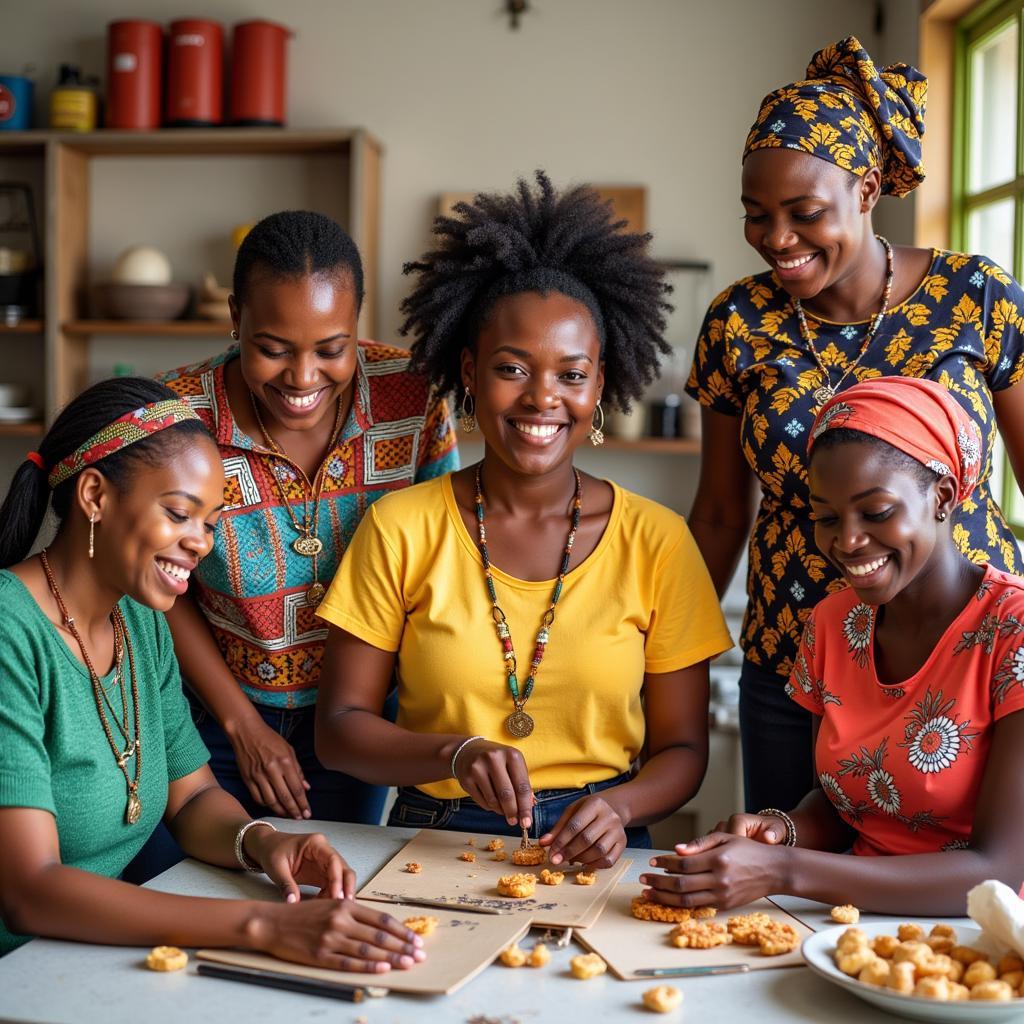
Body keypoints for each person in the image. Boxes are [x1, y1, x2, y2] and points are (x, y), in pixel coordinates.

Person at [314, 172, 733, 868]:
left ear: (602, 384)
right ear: (470, 372)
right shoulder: (400, 526)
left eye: (571, 375)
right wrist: (457, 749)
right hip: (434, 835)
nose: (542, 398)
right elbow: (340, 730)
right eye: (513, 368)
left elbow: (684, 750)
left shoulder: (658, 541)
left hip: (605, 842)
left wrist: (622, 806)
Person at [686, 36, 1024, 815]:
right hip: (793, 655)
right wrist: (672, 659)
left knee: (959, 892)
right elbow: (719, 511)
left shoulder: (975, 297)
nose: (778, 239)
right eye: (756, 216)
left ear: (867, 189)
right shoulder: (738, 321)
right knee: (782, 883)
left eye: (805, 214)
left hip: (967, 653)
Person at [0, 378, 425, 970]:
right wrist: (264, 924)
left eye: (211, 521)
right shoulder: (8, 631)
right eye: (179, 514)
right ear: (94, 495)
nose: (200, 543)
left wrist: (265, 842)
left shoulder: (137, 620)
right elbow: (29, 890)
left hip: (81, 957)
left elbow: (192, 794)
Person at [641, 377, 1024, 915]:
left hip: (984, 942)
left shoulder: (1013, 630)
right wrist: (782, 831)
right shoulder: (833, 624)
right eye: (826, 517)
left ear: (941, 497)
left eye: (876, 512)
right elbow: (842, 807)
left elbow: (998, 873)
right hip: (855, 926)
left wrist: (783, 870)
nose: (846, 541)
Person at [155, 211, 458, 848]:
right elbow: (160, 584)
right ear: (235, 316)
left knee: (331, 886)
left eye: (331, 348)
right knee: (210, 887)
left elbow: (439, 554)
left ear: (357, 322)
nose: (301, 377)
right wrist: (242, 725)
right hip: (209, 714)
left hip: (362, 717)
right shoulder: (178, 415)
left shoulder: (414, 396)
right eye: (272, 349)